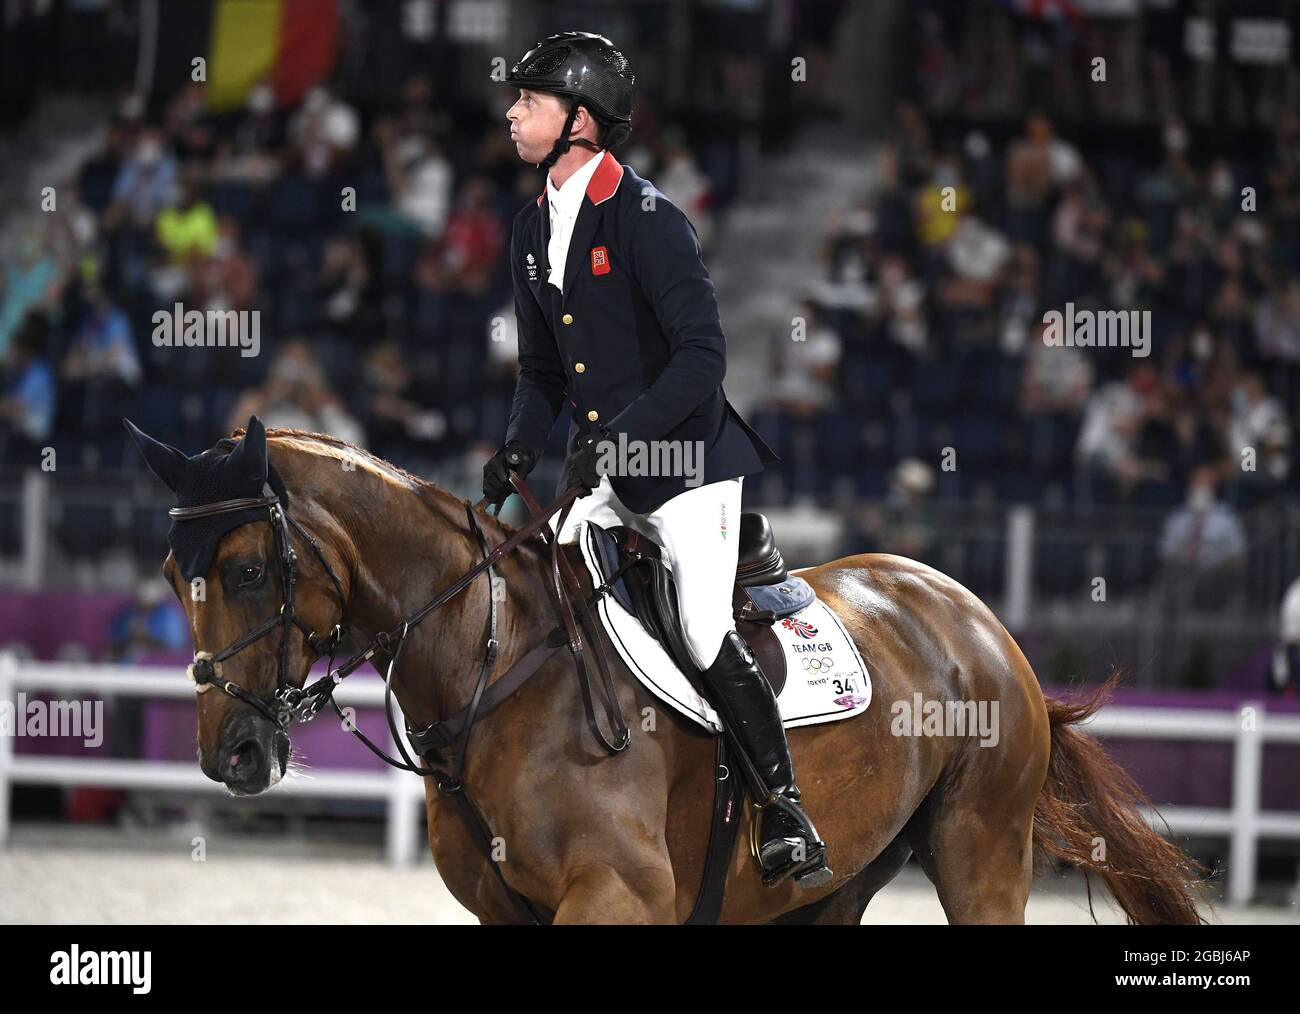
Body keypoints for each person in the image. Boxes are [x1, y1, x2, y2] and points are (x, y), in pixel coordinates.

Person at [480, 32, 830, 889]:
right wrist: (522, 440)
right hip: (601, 473)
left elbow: (703, 359)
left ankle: (787, 810)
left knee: (703, 628)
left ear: (580, 122)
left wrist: (625, 432)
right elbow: (539, 372)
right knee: (538, 594)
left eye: (529, 99)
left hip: (687, 468)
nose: (512, 111)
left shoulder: (649, 219)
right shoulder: (530, 229)